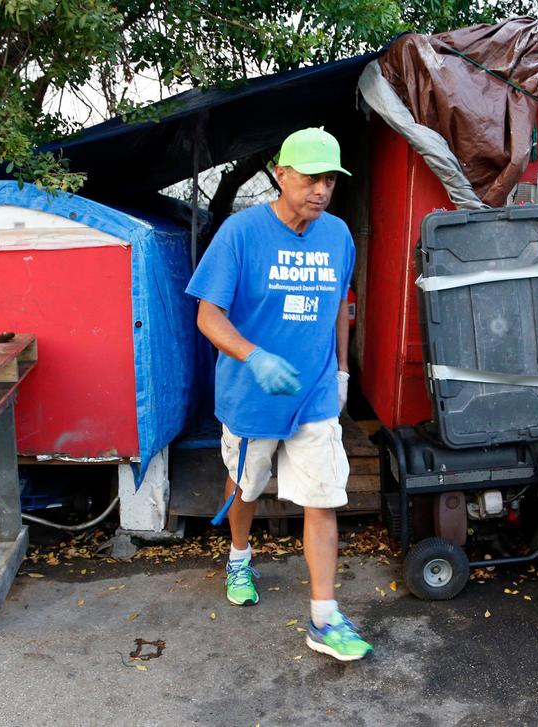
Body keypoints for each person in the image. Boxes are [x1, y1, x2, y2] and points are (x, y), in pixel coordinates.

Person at [185, 127, 372, 661]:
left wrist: (340, 371)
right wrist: (253, 356)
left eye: (330, 179)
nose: (321, 188)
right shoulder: (241, 234)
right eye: (311, 176)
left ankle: (324, 618)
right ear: (281, 174)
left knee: (323, 498)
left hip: (313, 394)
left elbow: (340, 303)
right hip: (252, 394)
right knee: (245, 488)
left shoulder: (337, 236)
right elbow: (207, 314)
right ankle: (240, 556)